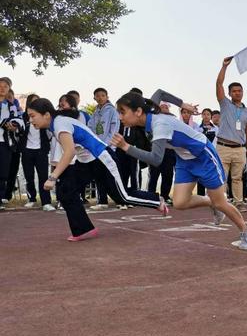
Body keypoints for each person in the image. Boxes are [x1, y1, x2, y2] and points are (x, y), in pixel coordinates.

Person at [112, 90, 247, 249]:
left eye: (122, 112)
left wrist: (126, 147)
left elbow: (156, 159)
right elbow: (159, 93)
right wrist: (182, 104)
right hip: (184, 159)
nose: (120, 117)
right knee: (180, 202)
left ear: (138, 112)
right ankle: (210, 202)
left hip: (203, 156)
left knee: (221, 202)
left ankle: (246, 229)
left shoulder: (160, 125)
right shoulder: (150, 110)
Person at [28, 98, 165, 242]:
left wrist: (53, 177)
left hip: (102, 157)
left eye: (32, 116)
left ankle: (156, 200)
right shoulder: (55, 124)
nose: (31, 120)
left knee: (121, 197)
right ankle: (84, 229)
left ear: (46, 114)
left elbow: (69, 152)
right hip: (86, 161)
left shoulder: (59, 123)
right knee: (66, 191)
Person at [214, 57, 247, 212]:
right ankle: (221, 204)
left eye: (240, 91)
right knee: (222, 178)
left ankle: (238, 203)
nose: (237, 93)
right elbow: (219, 84)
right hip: (223, 146)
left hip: (240, 148)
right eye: (234, 91)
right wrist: (224, 66)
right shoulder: (224, 104)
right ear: (230, 93)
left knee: (237, 178)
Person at [19, 94, 54, 210]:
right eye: (32, 103)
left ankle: (46, 202)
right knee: (29, 177)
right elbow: (18, 129)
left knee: (43, 176)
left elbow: (50, 134)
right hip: (27, 151)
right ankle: (31, 199)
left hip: (41, 151)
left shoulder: (44, 118)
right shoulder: (24, 117)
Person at [87, 87, 119, 210]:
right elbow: (90, 128)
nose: (100, 98)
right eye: (97, 96)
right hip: (96, 148)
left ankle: (120, 200)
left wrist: (106, 144)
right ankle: (102, 201)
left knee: (111, 174)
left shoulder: (112, 111)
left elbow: (114, 129)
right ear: (94, 98)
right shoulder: (95, 112)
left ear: (107, 97)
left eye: (102, 95)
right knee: (98, 174)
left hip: (108, 147)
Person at [0, 77, 24, 210]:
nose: (2, 88)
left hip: (5, 142)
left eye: (5, 86)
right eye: (0, 86)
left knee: (3, 172)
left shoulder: (11, 106)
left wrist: (14, 126)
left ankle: (0, 198)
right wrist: (4, 123)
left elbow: (19, 120)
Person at [147, 102, 177, 204]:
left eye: (166, 106)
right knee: (154, 174)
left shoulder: (174, 119)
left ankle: (165, 196)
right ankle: (150, 195)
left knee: (168, 175)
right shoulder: (154, 118)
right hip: (156, 149)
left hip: (169, 151)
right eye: (162, 106)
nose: (164, 107)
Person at [197, 108, 218, 196]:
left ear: (211, 116)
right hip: (201, 154)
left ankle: (211, 195)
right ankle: (201, 195)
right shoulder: (197, 128)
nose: (206, 116)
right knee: (201, 175)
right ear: (201, 115)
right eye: (204, 114)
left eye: (208, 114)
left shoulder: (216, 128)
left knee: (211, 175)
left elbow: (217, 142)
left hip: (212, 154)